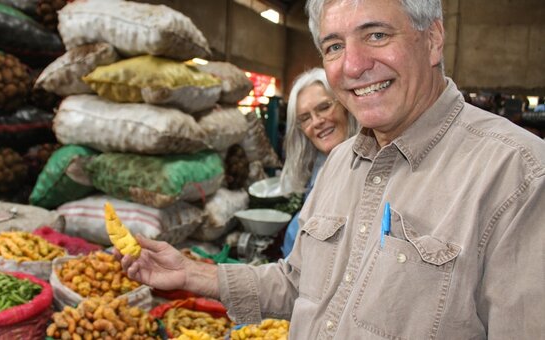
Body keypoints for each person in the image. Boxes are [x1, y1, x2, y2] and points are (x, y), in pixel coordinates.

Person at [119, 0, 545, 338]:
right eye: (334, 46)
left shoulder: (518, 175)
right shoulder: (342, 162)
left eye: (376, 34)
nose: (353, 66)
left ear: (433, 39)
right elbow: (298, 284)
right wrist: (193, 274)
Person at [279, 67, 358, 257]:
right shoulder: (320, 167)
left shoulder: (371, 166)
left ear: (345, 105)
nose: (316, 122)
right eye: (305, 118)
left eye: (324, 107)